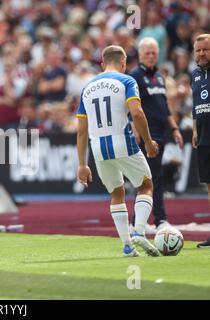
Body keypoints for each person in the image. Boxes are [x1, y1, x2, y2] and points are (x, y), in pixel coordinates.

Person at [76, 45, 160, 257]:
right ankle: (139, 231)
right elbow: (137, 113)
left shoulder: (86, 87)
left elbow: (81, 131)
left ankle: (127, 245)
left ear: (102, 64)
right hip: (123, 142)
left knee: (116, 193)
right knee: (146, 185)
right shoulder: (127, 81)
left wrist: (82, 164)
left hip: (98, 149)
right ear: (123, 63)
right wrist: (149, 142)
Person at [129, 37, 184, 231]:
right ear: (140, 54)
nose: (151, 57)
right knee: (151, 178)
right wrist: (135, 130)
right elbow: (130, 108)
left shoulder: (159, 76)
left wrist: (175, 129)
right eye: (147, 53)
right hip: (147, 134)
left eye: (154, 53)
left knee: (152, 177)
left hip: (162, 133)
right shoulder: (134, 76)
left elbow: (165, 107)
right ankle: (157, 219)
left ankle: (139, 221)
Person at [191, 34, 210, 249]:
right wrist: (195, 130)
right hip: (204, 138)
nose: (202, 54)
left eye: (205, 49)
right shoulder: (195, 75)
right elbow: (196, 105)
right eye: (198, 50)